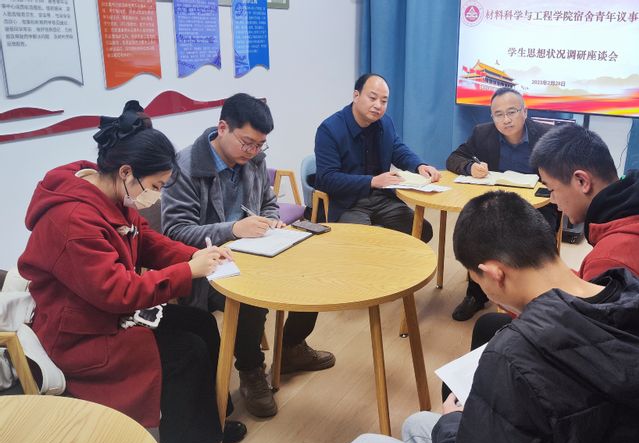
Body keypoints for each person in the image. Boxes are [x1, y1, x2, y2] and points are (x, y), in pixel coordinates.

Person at [348, 191, 639, 443]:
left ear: (493, 273)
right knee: (416, 423)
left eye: (477, 279)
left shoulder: (513, 355)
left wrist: (453, 422)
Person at [17, 101, 246, 443]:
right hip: (81, 332)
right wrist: (188, 270)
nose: (156, 196)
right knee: (186, 353)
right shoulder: (73, 220)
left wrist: (195, 255)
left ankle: (211, 421)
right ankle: (192, 441)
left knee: (201, 323)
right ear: (126, 172)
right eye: (155, 186)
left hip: (105, 312)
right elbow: (118, 292)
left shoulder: (107, 189)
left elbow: (146, 239)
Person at [466, 124, 639, 375]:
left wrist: (517, 294)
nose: (553, 200)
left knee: (500, 337)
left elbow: (584, 340)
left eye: (552, 189)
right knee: (492, 325)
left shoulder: (615, 256)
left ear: (582, 181)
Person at [161, 93, 335, 419]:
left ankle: (292, 346)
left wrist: (271, 220)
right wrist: (234, 229)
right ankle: (251, 369)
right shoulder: (185, 167)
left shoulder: (252, 159)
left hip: (254, 250)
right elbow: (175, 232)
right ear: (222, 128)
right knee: (251, 295)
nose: (253, 151)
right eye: (247, 143)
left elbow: (268, 202)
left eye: (260, 145)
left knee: (311, 268)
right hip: (208, 265)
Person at [445, 87, 559, 321]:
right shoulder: (482, 133)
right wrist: (470, 167)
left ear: (524, 112)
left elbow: (563, 173)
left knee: (530, 237)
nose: (506, 120)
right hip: (496, 205)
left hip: (537, 207)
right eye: (499, 114)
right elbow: (454, 158)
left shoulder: (546, 135)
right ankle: (475, 295)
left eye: (512, 112)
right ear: (492, 116)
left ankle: (536, 297)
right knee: (474, 231)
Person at [314, 73, 439, 241]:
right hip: (347, 203)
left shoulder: (385, 123)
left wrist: (419, 165)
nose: (378, 106)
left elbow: (398, 149)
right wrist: (372, 181)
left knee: (422, 230)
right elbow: (328, 179)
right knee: (366, 242)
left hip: (382, 198)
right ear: (356, 96)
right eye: (372, 98)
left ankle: (393, 258)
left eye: (384, 101)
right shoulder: (330, 130)